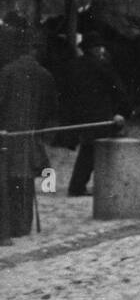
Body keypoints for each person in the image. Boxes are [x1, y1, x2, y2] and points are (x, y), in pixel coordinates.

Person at [0, 27, 59, 236]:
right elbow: (52, 109)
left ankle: (9, 226)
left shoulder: (7, 72)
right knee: (25, 180)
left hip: (9, 135)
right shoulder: (45, 75)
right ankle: (23, 225)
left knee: (8, 180)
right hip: (32, 135)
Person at [65, 31, 129, 196]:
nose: (102, 50)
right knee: (95, 151)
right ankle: (81, 186)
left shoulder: (74, 65)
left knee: (88, 150)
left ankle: (80, 185)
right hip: (101, 115)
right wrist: (123, 111)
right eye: (99, 47)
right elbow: (118, 90)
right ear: (94, 49)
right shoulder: (102, 66)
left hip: (81, 115)